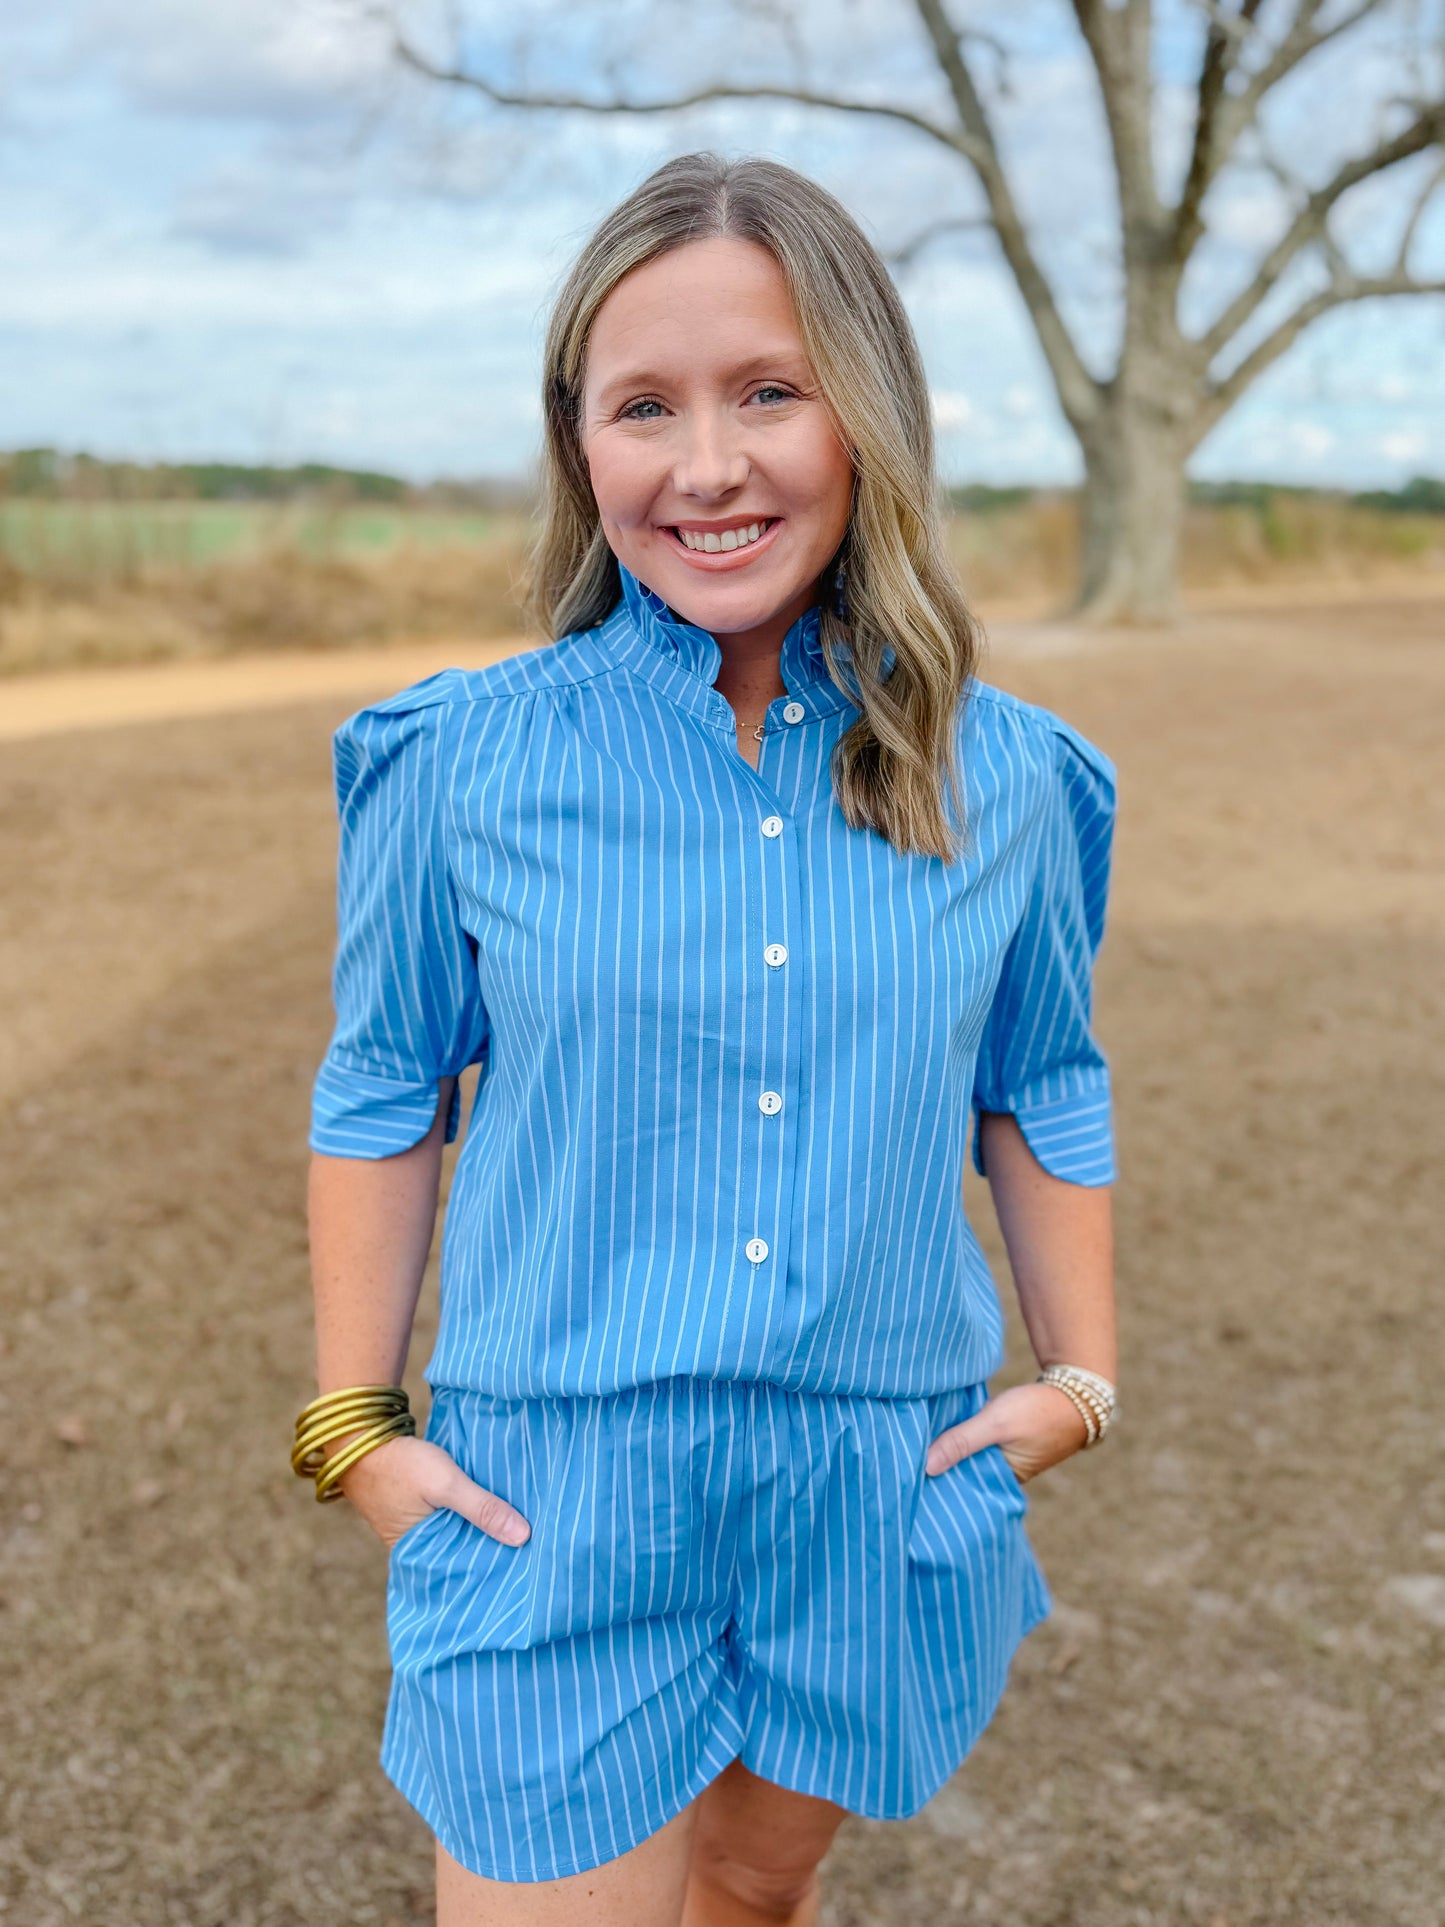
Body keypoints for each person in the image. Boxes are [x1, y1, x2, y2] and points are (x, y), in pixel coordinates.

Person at [297, 151, 1120, 1927]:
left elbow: (1039, 1076)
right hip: (551, 1506)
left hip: (869, 1493)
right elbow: (381, 1088)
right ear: (576, 442)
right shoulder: (457, 763)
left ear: (868, 417)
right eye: (642, 406)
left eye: (769, 391)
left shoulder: (1021, 783)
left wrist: (1082, 1374)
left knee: (749, 1906)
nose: (708, 465)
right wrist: (354, 1425)